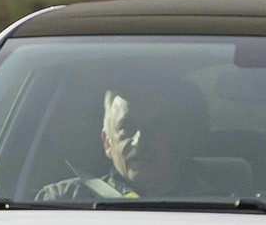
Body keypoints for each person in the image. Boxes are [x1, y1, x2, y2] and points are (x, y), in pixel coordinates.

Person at [37, 83, 228, 202]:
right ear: (107, 143)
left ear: (179, 139)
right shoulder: (62, 200)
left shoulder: (223, 207)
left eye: (155, 128)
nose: (139, 141)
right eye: (126, 128)